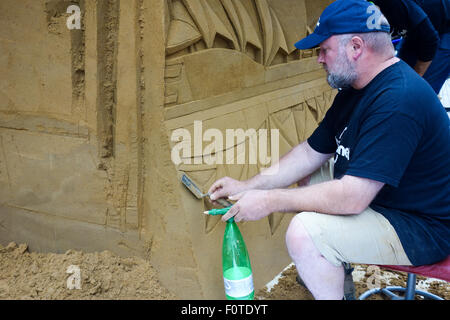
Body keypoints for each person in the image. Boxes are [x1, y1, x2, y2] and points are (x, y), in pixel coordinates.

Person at [207, 0, 450, 300]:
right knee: (311, 171)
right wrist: (247, 186)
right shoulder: (358, 87)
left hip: (418, 227)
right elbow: (309, 153)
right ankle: (336, 273)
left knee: (303, 234)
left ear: (356, 47)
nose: (319, 59)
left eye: (324, 49)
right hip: (386, 198)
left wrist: (268, 201)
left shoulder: (399, 99)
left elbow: (352, 197)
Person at [372, 0, 450, 99]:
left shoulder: (394, 5)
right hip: (417, 27)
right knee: (399, 76)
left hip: (444, 27)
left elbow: (431, 40)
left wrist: (416, 78)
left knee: (420, 91)